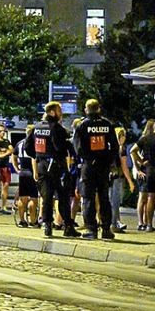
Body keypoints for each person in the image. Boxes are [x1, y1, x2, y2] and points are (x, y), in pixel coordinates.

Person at [73, 98, 120, 239]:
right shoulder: (107, 124)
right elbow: (115, 146)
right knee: (104, 197)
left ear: (86, 110)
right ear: (98, 109)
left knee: (88, 199)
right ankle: (106, 229)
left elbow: (78, 148)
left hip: (89, 166)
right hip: (104, 167)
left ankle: (91, 230)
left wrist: (90, 158)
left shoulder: (82, 125)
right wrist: (108, 160)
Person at [32, 101, 79, 238]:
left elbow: (29, 147)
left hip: (42, 165)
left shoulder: (37, 127)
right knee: (63, 197)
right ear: (52, 112)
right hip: (57, 167)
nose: (61, 113)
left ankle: (47, 225)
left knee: (46, 197)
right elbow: (60, 147)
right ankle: (68, 227)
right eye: (59, 111)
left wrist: (40, 156)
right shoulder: (57, 128)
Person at [131, 119, 155, 231]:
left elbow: (132, 151)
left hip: (149, 169)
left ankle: (148, 224)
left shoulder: (145, 139)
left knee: (150, 196)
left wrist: (141, 162)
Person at [109, 127, 135, 233]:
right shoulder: (121, 149)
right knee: (115, 201)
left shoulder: (109, 146)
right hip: (117, 177)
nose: (124, 138)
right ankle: (114, 224)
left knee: (110, 200)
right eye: (123, 136)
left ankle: (112, 222)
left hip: (108, 176)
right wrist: (130, 181)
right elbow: (124, 166)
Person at [14, 124, 40, 228]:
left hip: (22, 172)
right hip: (30, 172)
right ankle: (33, 221)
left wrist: (17, 168)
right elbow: (33, 159)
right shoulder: (33, 143)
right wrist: (35, 173)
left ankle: (22, 220)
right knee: (33, 198)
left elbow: (13, 155)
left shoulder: (19, 143)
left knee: (22, 197)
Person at [0, 124, 15, 215]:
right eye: (1, 131)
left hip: (5, 166)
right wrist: (6, 153)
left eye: (4, 131)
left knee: (6, 185)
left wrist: (6, 152)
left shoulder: (6, 141)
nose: (2, 132)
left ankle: (3, 206)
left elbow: (12, 150)